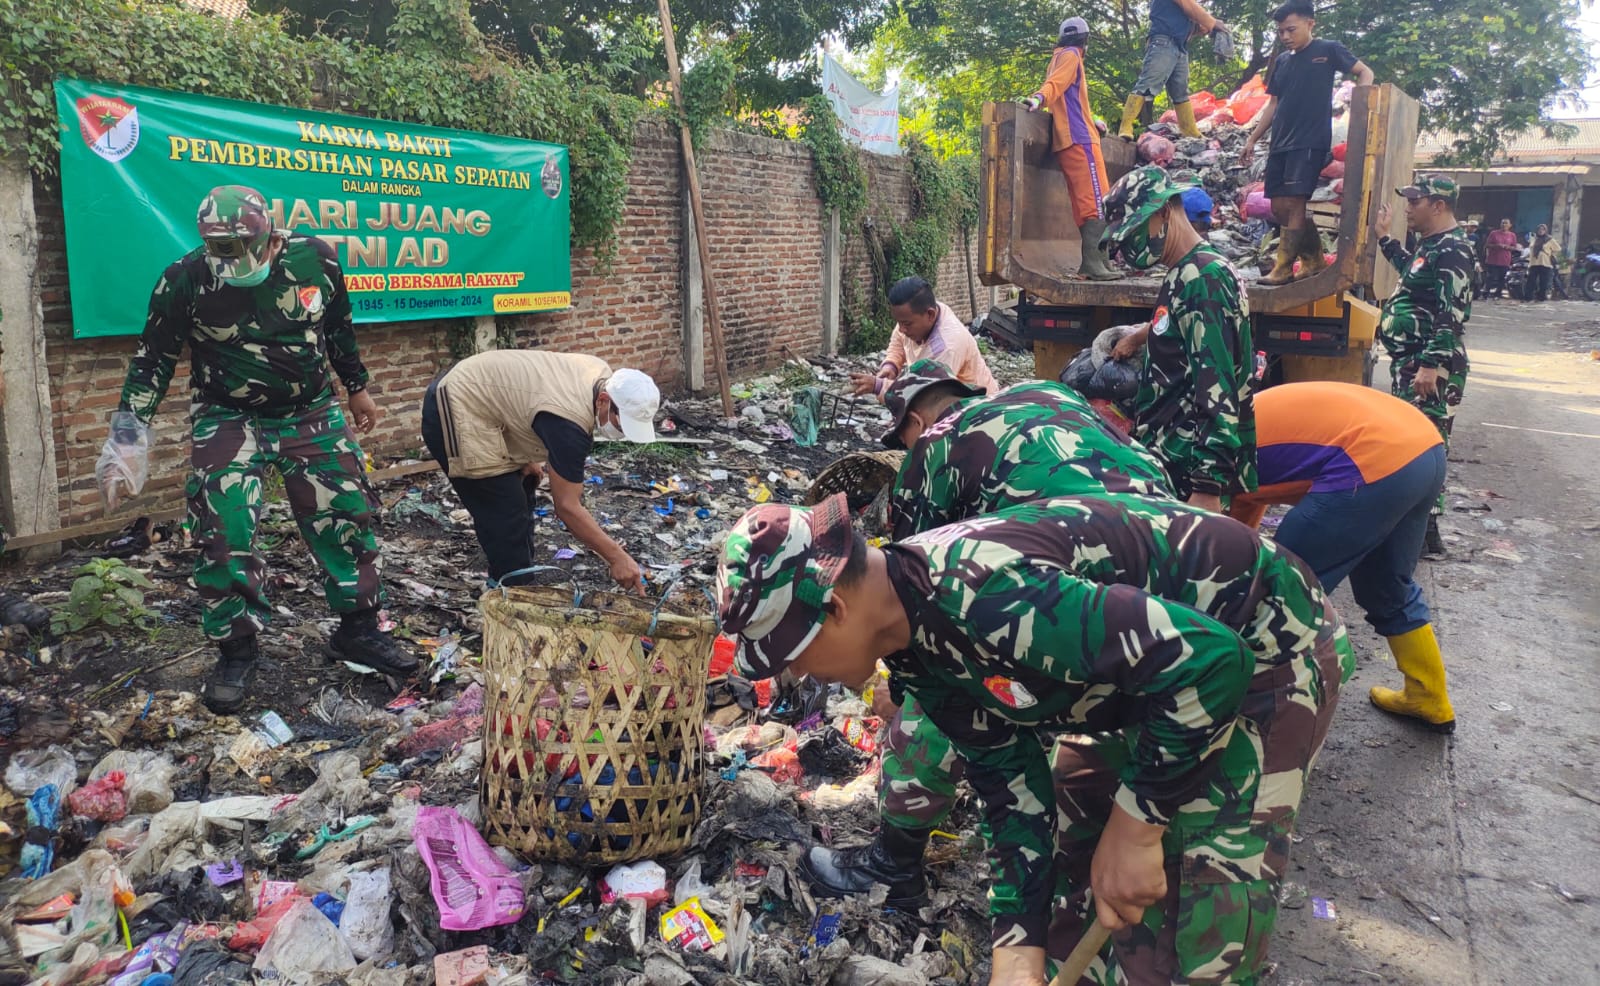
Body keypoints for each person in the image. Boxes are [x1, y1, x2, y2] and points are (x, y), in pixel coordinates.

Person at [716, 492, 1348, 985]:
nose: (794, 674)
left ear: (835, 610)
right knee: (1079, 860)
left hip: (1266, 650)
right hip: (1140, 682)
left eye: (789, 654)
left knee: (1201, 903)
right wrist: (1017, 951)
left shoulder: (987, 597)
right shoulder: (912, 646)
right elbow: (1008, 786)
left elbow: (1213, 663)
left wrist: (1139, 825)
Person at [802, 359, 1178, 907]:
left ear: (914, 421)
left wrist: (906, 690)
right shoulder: (1048, 393)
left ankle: (893, 865)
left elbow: (910, 603)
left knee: (938, 705)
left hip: (1060, 587)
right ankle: (1130, 838)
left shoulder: (932, 451)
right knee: (1133, 712)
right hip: (1171, 568)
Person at [96, 185, 416, 714]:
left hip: (310, 410)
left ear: (270, 235)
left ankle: (358, 629)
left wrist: (357, 384)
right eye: (222, 251)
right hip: (227, 414)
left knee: (348, 510)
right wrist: (128, 440)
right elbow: (153, 358)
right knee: (223, 525)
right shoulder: (184, 279)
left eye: (247, 248)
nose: (236, 262)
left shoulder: (316, 259)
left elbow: (337, 326)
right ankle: (237, 648)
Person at [1229, 382, 1457, 731]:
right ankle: (1429, 696)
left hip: (1372, 457)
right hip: (1424, 449)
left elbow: (1228, 515)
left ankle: (1250, 709)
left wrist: (1234, 573)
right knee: (1386, 585)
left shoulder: (1210, 449)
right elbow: (1245, 503)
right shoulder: (1235, 416)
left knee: (1283, 587)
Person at [420, 350, 659, 592]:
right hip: (455, 404)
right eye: (621, 423)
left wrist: (525, 455)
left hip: (488, 405)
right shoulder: (570, 424)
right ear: (604, 400)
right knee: (504, 507)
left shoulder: (600, 374)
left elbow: (529, 400)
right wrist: (617, 557)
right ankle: (510, 590)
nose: (622, 432)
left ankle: (519, 573)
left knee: (526, 484)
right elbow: (567, 507)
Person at [1102, 167, 1257, 512]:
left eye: (1134, 232)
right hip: (1170, 460)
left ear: (1163, 212)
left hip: (1189, 475)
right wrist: (1138, 338)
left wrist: (1207, 485)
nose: (1130, 247)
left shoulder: (1203, 277)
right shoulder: (1185, 272)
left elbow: (1217, 385)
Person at [1239, 0, 1373, 285]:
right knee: (1277, 207)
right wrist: (1252, 138)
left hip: (1309, 140)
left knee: (1295, 202)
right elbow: (1273, 104)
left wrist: (1362, 110)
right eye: (1281, 32)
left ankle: (1284, 268)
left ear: (1310, 23)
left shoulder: (1328, 50)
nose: (1285, 36)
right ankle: (1312, 260)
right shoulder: (1283, 61)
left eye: (1291, 29)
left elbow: (1365, 72)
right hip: (1281, 143)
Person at [1376, 174, 1473, 556]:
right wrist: (1385, 239)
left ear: (1439, 205)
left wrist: (1431, 364)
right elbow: (1411, 275)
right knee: (1414, 442)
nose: (1407, 208)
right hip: (1413, 362)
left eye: (1415, 202)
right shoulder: (1431, 246)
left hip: (1430, 366)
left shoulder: (1453, 250)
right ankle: (1419, 531)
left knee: (1427, 444)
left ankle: (1423, 534)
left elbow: (1453, 312)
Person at [1023, 17, 1121, 280]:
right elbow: (1055, 86)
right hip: (1081, 140)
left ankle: (1099, 261)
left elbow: (1070, 101)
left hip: (1073, 137)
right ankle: (1093, 263)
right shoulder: (1072, 56)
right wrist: (1038, 98)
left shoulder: (1057, 57)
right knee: (1098, 201)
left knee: (1085, 202)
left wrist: (1094, 119)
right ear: (1085, 40)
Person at [848, 276, 998, 399]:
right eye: (898, 322)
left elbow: (925, 393)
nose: (901, 329)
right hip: (944, 399)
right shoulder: (917, 314)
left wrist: (878, 386)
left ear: (930, 315)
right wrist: (891, 365)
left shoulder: (947, 346)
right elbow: (898, 340)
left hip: (975, 407)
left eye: (906, 323)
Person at [1117, 0, 1231, 140]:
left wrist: (1198, 28)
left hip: (1179, 46)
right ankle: (1125, 127)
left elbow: (1183, 17)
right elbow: (1189, 6)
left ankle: (1190, 131)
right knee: (1148, 83)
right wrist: (1212, 23)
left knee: (1180, 92)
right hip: (1163, 42)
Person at [1483, 218, 1518, 298]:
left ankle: (1497, 294)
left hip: (1505, 260)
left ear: (1510, 225)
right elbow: (1487, 245)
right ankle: (1486, 293)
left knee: (1502, 278)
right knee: (1490, 277)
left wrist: (1507, 247)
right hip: (1493, 260)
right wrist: (1497, 246)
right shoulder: (1494, 233)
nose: (1504, 225)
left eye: (1506, 223)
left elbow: (1514, 247)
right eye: (1502, 223)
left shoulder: (1512, 235)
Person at [1527, 223, 1559, 301]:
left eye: (1543, 229)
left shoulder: (1549, 239)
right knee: (1531, 281)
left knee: (1543, 282)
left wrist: (1550, 253)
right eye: (1539, 229)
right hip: (1534, 263)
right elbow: (1530, 249)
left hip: (1545, 263)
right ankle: (1528, 297)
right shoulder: (1534, 239)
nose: (1541, 231)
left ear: (1546, 230)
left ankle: (1541, 297)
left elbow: (1557, 248)